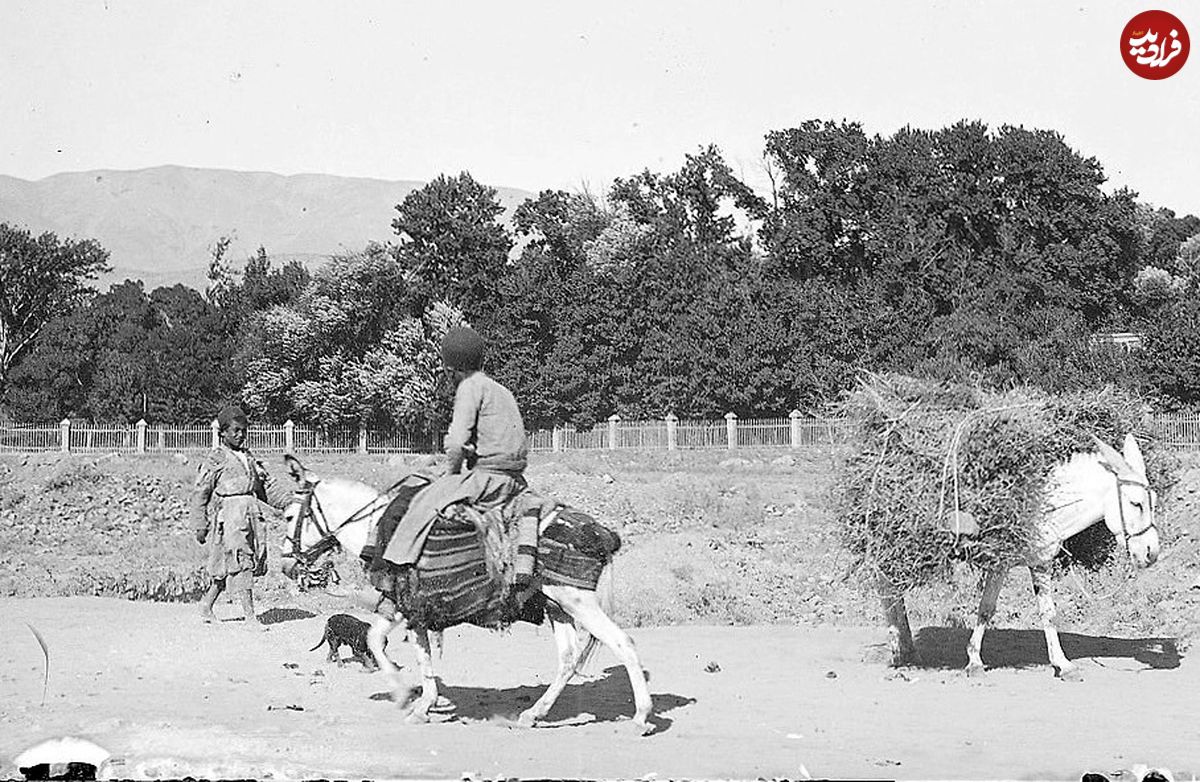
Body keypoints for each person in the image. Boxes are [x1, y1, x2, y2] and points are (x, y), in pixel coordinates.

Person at [381, 326, 534, 570]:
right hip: (515, 481)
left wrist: (450, 475)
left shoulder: (469, 387)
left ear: (450, 369)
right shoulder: (501, 390)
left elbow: (456, 442)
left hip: (487, 481)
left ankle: (394, 569)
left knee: (421, 504)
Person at [191, 405, 288, 627]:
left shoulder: (248, 457)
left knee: (231, 565)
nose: (240, 434)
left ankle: (206, 606)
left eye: (243, 430)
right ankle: (250, 617)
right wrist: (200, 524)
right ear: (222, 433)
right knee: (241, 560)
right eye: (235, 430)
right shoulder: (217, 458)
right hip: (230, 516)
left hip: (251, 515)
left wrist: (288, 502)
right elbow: (200, 492)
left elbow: (265, 487)